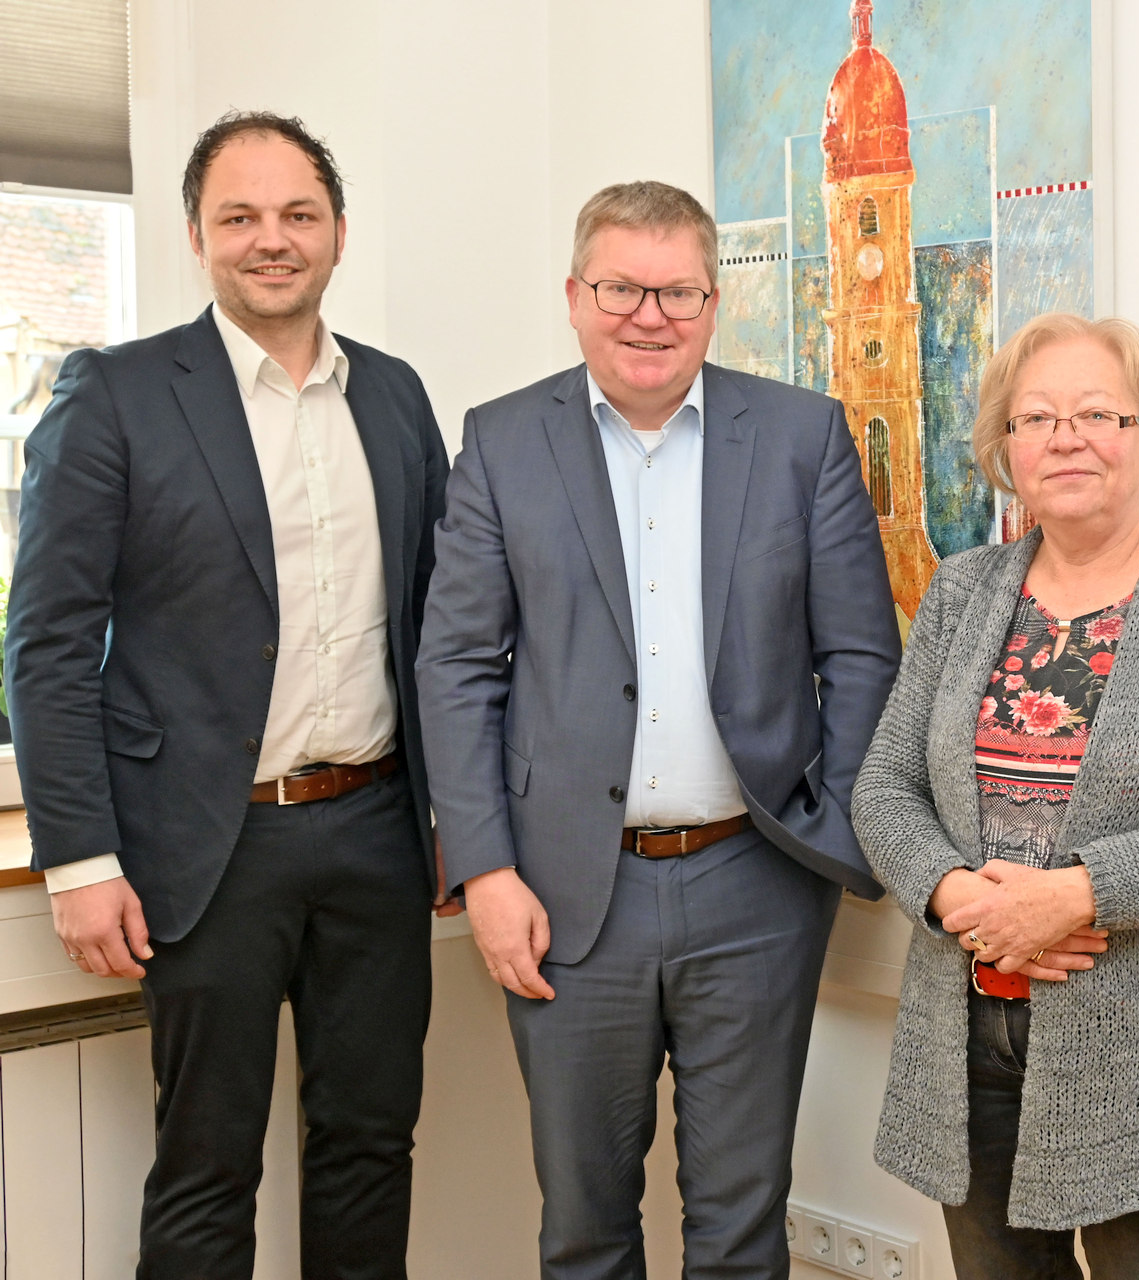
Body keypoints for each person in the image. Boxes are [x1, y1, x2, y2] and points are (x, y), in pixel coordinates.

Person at [414, 179, 900, 1280]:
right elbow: (453, 665)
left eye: (677, 289)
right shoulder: (500, 442)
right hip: (563, 894)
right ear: (576, 297)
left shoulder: (798, 435)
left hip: (756, 884)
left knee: (741, 1224)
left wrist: (830, 831)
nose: (650, 314)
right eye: (624, 287)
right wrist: (486, 869)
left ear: (712, 301)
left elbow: (863, 652)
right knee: (585, 1228)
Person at [4, 111, 450, 1278]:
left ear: (338, 234)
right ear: (196, 232)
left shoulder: (396, 399)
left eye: (298, 214)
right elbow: (47, 641)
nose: (272, 240)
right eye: (241, 216)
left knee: (369, 1147)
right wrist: (81, 857)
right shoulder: (116, 393)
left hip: (377, 832)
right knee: (205, 1166)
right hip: (205, 848)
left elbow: (444, 634)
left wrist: (462, 819)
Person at [853, 312, 1139, 1280]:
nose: (1065, 436)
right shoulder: (962, 591)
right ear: (1006, 449)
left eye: (1098, 412)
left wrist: (1073, 895)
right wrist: (958, 896)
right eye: (1036, 416)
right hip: (966, 1030)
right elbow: (884, 783)